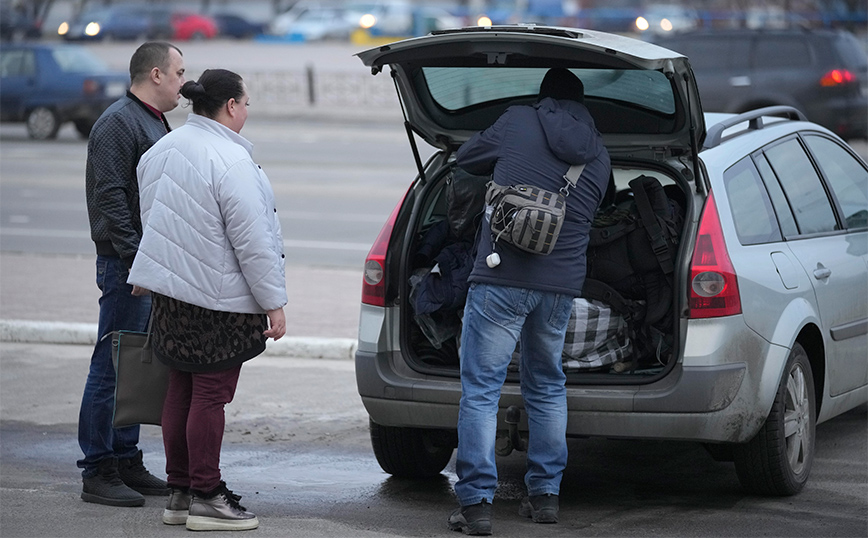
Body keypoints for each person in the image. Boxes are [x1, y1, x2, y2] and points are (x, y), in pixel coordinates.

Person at [447, 68, 611, 535]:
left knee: (481, 390)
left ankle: (476, 503)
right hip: (560, 287)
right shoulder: (598, 153)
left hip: (501, 276)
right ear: (584, 105)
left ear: (544, 100)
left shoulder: (519, 119)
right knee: (546, 385)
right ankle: (545, 496)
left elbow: (467, 157)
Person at [128, 68, 288, 532]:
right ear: (232, 106)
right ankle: (207, 494)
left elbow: (152, 220)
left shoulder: (161, 150)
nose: (247, 111)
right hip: (219, 299)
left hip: (171, 296)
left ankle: (180, 492)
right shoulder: (231, 161)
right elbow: (253, 242)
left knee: (180, 386)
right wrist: (273, 302)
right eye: (247, 103)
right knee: (211, 396)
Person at [79, 41, 186, 507]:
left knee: (134, 366)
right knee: (111, 367)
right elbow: (111, 198)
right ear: (156, 74)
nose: (186, 80)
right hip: (127, 265)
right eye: (180, 72)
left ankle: (125, 458)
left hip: (144, 264)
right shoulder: (118, 122)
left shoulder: (151, 119)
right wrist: (137, 260)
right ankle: (97, 468)